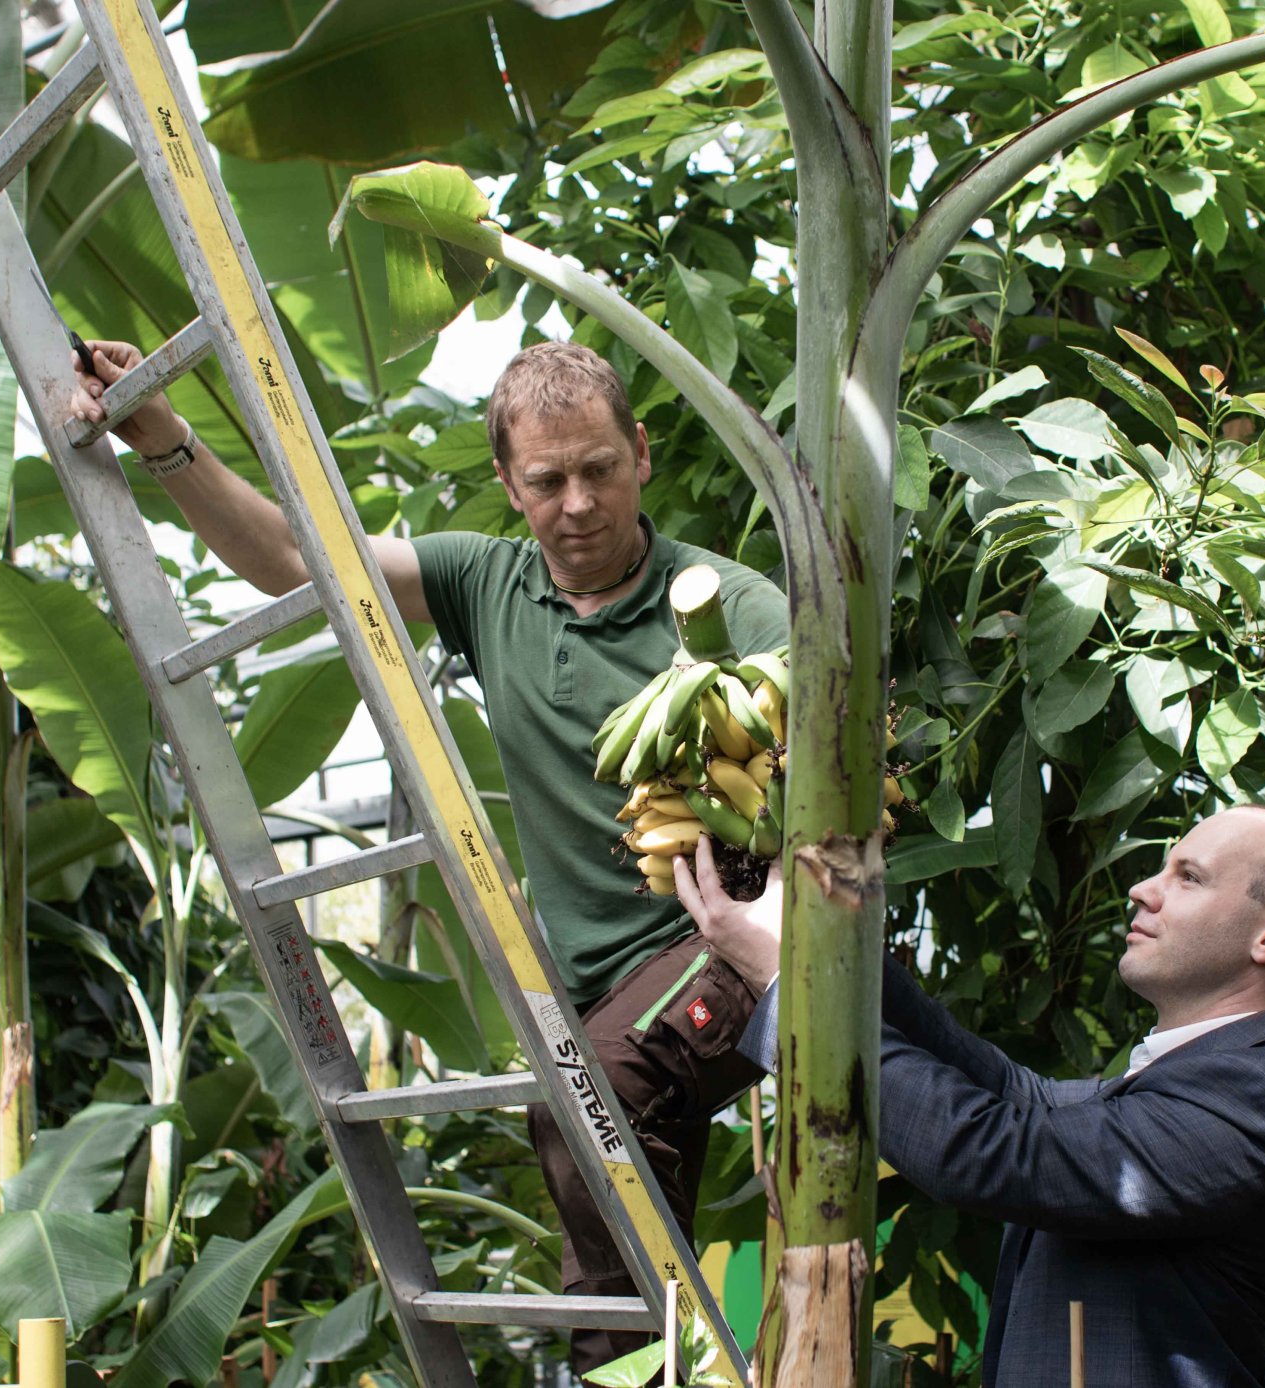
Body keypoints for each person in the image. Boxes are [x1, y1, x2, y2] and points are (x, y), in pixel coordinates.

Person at [69, 340, 782, 1372]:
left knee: (591, 1095)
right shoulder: (483, 581)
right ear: (509, 483)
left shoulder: (719, 602)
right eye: (547, 480)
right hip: (600, 982)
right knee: (609, 1146)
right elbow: (290, 557)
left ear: (641, 455)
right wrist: (167, 441)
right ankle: (668, 1362)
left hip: (727, 932)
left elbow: (825, 708)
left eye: (599, 468)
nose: (577, 502)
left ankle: (650, 1373)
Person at [673, 804, 1265, 1387]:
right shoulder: (1223, 1074)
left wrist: (792, 990)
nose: (1142, 891)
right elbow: (1014, 1096)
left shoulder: (1254, 1095)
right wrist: (837, 947)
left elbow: (995, 1153)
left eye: (1189, 878)